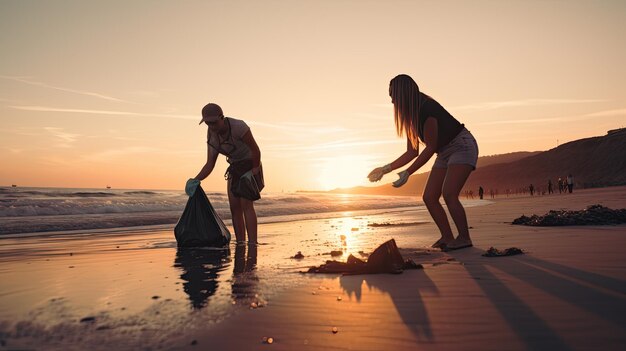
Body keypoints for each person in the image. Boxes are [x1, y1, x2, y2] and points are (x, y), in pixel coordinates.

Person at [368, 74, 479, 251]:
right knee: (429, 197)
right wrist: (385, 169)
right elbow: (412, 151)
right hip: (443, 152)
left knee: (449, 193)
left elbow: (430, 147)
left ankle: (464, 238)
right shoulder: (410, 115)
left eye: (393, 96)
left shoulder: (426, 108)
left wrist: (408, 173)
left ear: (403, 94)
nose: (392, 102)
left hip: (461, 146)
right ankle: (447, 236)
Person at [190, 103, 263, 244]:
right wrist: (196, 180)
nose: (211, 126)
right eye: (208, 123)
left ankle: (253, 243)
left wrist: (254, 171)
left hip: (250, 163)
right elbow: (210, 164)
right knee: (234, 207)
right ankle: (241, 242)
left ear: (221, 118)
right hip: (235, 166)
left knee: (246, 204)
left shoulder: (239, 127)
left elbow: (256, 150)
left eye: (214, 122)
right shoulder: (212, 135)